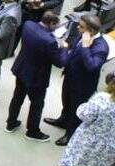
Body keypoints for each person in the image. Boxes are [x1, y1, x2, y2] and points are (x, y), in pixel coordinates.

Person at [34, 72, 115, 166]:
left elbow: (85, 115)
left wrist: (86, 104)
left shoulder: (103, 99)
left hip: (88, 142)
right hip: (110, 148)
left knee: (72, 160)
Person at [46, 14, 109, 145]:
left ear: (91, 31)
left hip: (82, 86)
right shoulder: (84, 35)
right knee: (66, 102)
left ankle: (70, 135)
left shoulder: (101, 47)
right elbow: (74, 50)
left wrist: (86, 47)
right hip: (70, 77)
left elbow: (92, 66)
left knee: (76, 111)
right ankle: (63, 121)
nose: (78, 28)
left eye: (81, 26)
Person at [7, 12, 64, 141]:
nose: (57, 28)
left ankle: (11, 123)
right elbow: (59, 62)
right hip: (37, 78)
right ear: (51, 23)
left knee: (17, 98)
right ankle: (32, 131)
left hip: (21, 69)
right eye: (56, 25)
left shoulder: (28, 25)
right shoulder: (50, 42)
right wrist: (63, 47)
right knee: (37, 104)